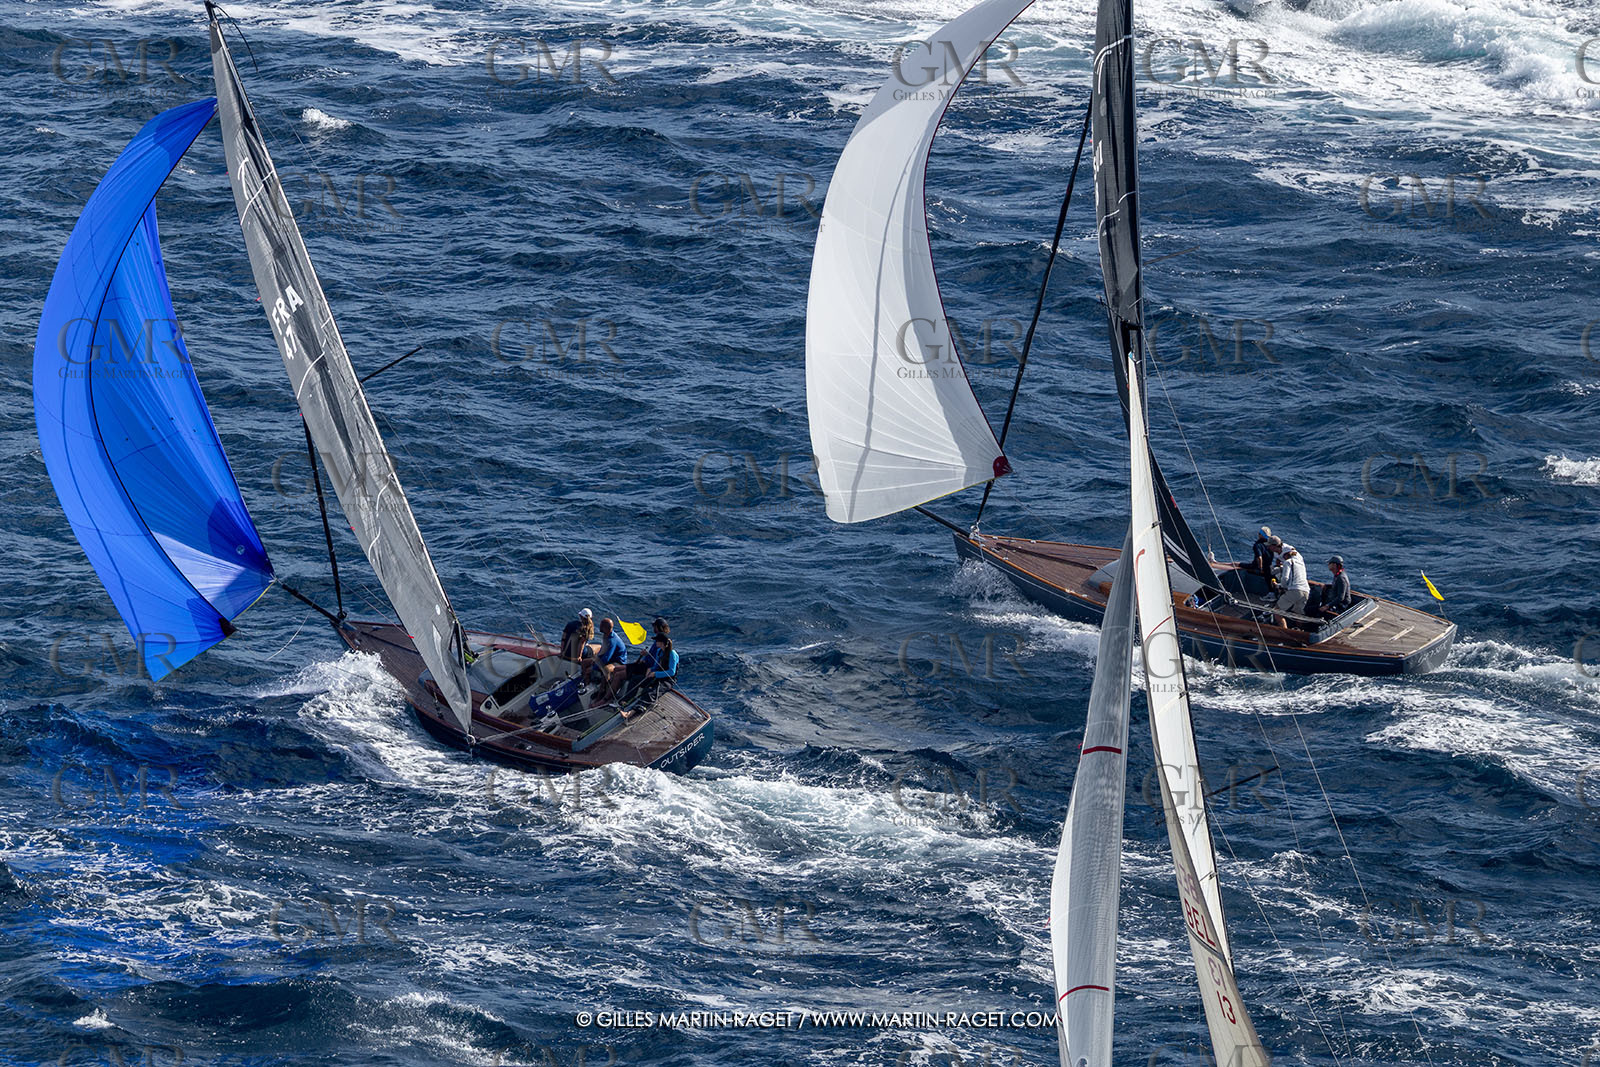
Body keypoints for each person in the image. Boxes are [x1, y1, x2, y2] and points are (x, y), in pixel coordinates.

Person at [622, 618, 679, 712]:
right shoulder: (659, 652)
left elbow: (671, 672)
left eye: (657, 641)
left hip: (667, 680)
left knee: (652, 692)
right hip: (656, 676)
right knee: (635, 680)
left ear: (662, 643)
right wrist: (651, 670)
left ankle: (640, 707)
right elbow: (656, 666)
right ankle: (625, 700)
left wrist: (656, 674)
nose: (655, 643)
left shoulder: (672, 654)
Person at [584, 617, 629, 695]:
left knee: (606, 670)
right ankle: (586, 684)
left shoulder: (612, 640)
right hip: (610, 659)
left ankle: (602, 691)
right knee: (585, 662)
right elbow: (602, 651)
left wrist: (594, 667)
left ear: (606, 628)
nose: (599, 626)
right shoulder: (606, 635)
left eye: (601, 625)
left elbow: (606, 658)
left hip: (617, 662)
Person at [1272, 543, 1310, 625]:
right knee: (1298, 615)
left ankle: (1284, 633)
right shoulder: (1301, 563)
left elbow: (1285, 579)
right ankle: (1299, 632)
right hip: (1306, 591)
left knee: (1277, 612)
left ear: (1285, 556)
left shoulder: (1287, 562)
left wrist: (1280, 586)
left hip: (1295, 591)